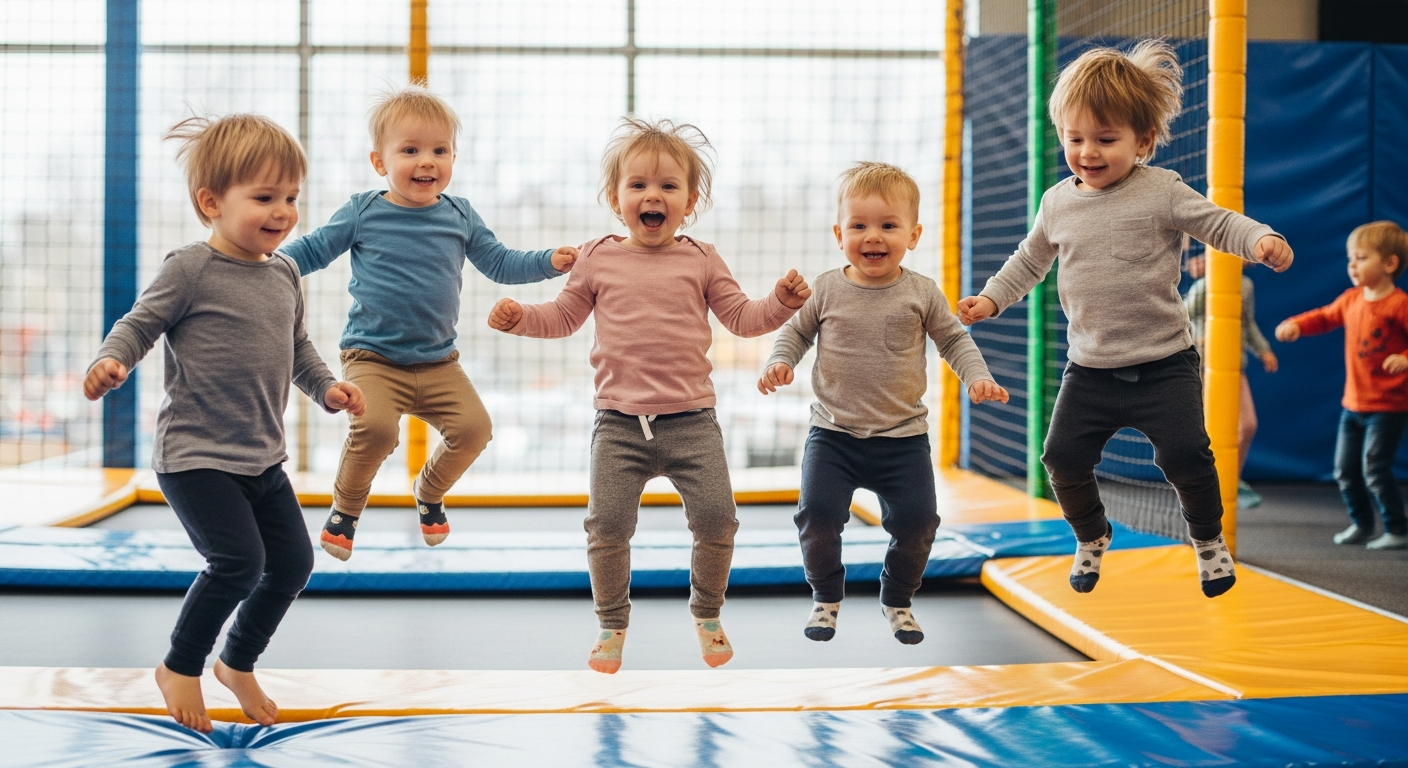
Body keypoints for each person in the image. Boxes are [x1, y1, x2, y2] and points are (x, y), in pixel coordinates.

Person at [957, 40, 1294, 598]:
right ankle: (1092, 534)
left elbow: (1217, 223)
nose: (1088, 152)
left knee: (1186, 456)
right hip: (1090, 368)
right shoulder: (1057, 203)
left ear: (1143, 141)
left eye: (1105, 139)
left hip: (1164, 363)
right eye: (1075, 139)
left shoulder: (1162, 191)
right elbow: (1029, 261)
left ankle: (1208, 541)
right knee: (1060, 458)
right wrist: (991, 299)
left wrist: (1259, 238)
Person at [487, 117, 811, 673]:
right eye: (637, 185)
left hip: (692, 423)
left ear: (690, 202)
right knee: (607, 527)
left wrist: (781, 303)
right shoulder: (597, 257)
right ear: (616, 199)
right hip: (618, 426)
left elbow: (742, 318)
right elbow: (563, 317)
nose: (652, 195)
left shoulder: (701, 258)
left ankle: (707, 614)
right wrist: (521, 318)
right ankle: (611, 625)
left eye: (667, 186)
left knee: (718, 520)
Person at [83, 114, 365, 733]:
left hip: (262, 458)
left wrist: (326, 387)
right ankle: (179, 666)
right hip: (196, 457)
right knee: (237, 562)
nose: (282, 212)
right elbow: (139, 323)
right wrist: (112, 359)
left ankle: (236, 662)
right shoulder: (191, 268)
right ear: (211, 202)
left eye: (290, 197)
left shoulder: (285, 272)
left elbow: (297, 347)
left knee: (291, 565)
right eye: (264, 198)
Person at [279, 84, 578, 560]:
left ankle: (429, 490)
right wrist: (270, 264)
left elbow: (500, 262)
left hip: (439, 362)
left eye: (440, 151)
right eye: (410, 150)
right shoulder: (364, 211)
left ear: (454, 157)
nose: (427, 162)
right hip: (373, 358)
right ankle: (346, 510)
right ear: (379, 162)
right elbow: (312, 250)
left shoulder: (459, 215)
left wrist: (548, 262)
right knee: (376, 430)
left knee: (475, 429)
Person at [758, 162, 1008, 645]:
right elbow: (795, 332)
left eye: (888, 225)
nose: (873, 236)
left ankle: (897, 599)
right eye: (859, 226)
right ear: (839, 235)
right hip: (833, 436)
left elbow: (954, 340)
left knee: (920, 523)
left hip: (903, 439)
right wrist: (780, 361)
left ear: (913, 235)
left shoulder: (921, 292)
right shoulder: (826, 288)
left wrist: (977, 376)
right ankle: (826, 596)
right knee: (816, 517)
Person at [1276, 221, 1408, 550]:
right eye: (1350, 258)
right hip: (1353, 405)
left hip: (1387, 406)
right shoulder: (1351, 300)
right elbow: (1325, 317)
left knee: (1375, 470)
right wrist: (1297, 325)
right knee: (1345, 472)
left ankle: (1397, 528)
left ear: (1390, 263)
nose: (1352, 265)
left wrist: (1405, 357)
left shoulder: (1398, 305)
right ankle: (1362, 524)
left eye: (1361, 258)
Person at [1183, 254, 1278, 508]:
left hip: (1233, 365)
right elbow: (1184, 316)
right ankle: (1203, 484)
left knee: (1247, 425)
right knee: (1205, 430)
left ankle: (1230, 478)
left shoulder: (1245, 285)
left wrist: (1263, 350)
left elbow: (1247, 323)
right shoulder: (1203, 284)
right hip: (1202, 367)